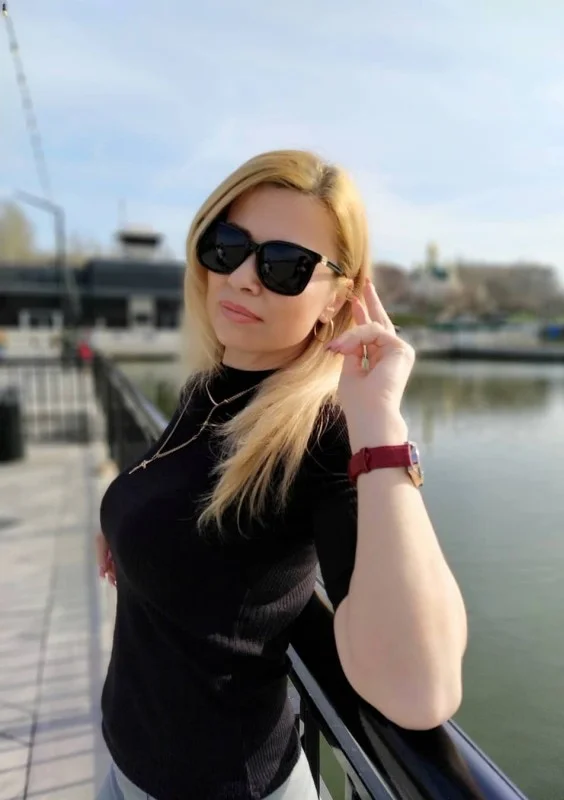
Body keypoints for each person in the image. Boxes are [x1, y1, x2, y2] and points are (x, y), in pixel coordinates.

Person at [95, 149, 467, 800]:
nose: (242, 278)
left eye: (285, 265)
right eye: (228, 247)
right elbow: (184, 477)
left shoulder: (323, 436)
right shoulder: (209, 386)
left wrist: (380, 425)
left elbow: (420, 692)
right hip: (126, 763)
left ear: (338, 298)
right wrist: (126, 520)